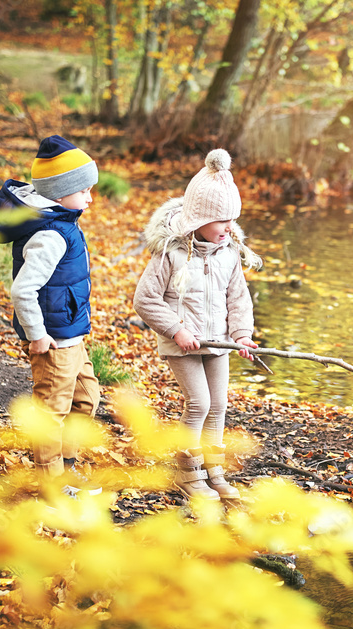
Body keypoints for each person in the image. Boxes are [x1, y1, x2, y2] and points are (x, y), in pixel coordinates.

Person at [133, 149, 262, 501]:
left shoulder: (229, 252)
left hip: (218, 342)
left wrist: (241, 335)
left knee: (219, 404)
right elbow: (145, 300)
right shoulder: (171, 254)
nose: (229, 228)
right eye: (222, 220)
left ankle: (213, 472)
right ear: (198, 219)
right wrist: (176, 329)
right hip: (183, 343)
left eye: (233, 219)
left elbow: (238, 299)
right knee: (199, 403)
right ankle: (187, 475)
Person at [0, 134, 102, 497]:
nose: (90, 197)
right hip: (53, 341)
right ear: (59, 192)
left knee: (87, 400)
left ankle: (66, 470)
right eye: (84, 189)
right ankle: (50, 487)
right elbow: (23, 290)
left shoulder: (62, 222)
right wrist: (37, 335)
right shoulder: (51, 235)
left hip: (73, 336)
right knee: (51, 413)